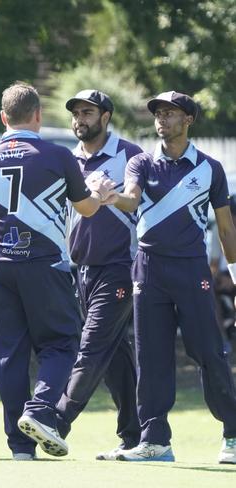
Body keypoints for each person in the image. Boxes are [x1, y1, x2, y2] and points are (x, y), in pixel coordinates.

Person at [0, 82, 115, 461]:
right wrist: (102, 194)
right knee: (61, 343)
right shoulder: (57, 156)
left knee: (9, 354)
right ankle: (40, 411)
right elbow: (86, 209)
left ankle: (20, 446)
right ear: (38, 115)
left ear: (3, 117)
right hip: (44, 264)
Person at [109, 91, 236, 464]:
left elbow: (227, 231)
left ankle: (233, 434)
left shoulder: (210, 168)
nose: (162, 119)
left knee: (208, 352)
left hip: (191, 268)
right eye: (159, 114)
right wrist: (112, 198)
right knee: (151, 356)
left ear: (189, 120)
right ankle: (154, 440)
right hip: (148, 269)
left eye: (171, 113)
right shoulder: (140, 163)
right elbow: (131, 199)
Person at [54, 89, 141, 460]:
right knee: (115, 355)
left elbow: (143, 207)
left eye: (87, 112)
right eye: (75, 114)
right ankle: (136, 436)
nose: (80, 120)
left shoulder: (132, 156)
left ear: (105, 117)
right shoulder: (69, 159)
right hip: (80, 270)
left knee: (91, 347)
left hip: (120, 266)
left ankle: (56, 420)